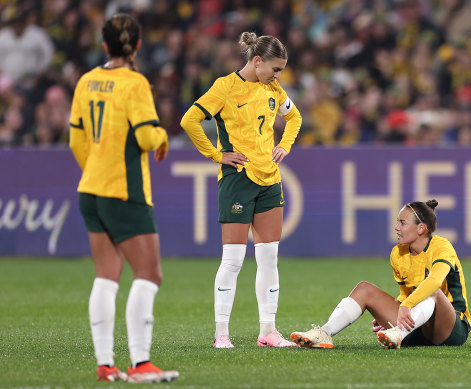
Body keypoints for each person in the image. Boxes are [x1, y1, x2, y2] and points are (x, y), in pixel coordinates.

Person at [68, 13, 178, 383]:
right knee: (149, 274)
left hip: (91, 189)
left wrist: (94, 169)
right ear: (139, 45)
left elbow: (75, 140)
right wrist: (163, 137)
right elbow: (147, 138)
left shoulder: (87, 81)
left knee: (107, 275)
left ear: (104, 46)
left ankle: (105, 364)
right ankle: (141, 363)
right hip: (124, 191)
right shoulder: (135, 83)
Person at [180, 32, 302, 348]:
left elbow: (295, 117)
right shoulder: (225, 88)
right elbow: (190, 120)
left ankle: (268, 331)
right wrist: (216, 154)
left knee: (269, 259)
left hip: (270, 180)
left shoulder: (273, 88)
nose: (278, 76)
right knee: (233, 261)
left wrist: (285, 145)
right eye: (275, 69)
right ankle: (222, 334)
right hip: (238, 179)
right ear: (257, 60)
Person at [291, 200, 471, 349]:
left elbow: (434, 281)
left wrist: (406, 306)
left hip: (451, 328)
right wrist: (387, 314)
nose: (396, 228)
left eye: (402, 223)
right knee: (364, 289)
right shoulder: (398, 253)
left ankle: (398, 333)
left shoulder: (441, 247)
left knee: (432, 290)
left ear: (421, 229)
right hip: (416, 326)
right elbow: (404, 295)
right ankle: (325, 333)